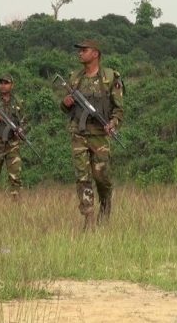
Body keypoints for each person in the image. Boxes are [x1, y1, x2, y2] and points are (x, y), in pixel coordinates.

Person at [60, 39, 124, 230]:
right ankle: (88, 218)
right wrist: (66, 102)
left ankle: (105, 206)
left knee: (101, 177)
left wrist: (112, 123)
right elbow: (64, 108)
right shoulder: (75, 78)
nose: (80, 53)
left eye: (84, 50)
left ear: (95, 53)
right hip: (79, 133)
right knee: (82, 177)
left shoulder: (110, 78)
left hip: (100, 135)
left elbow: (119, 109)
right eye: (79, 50)